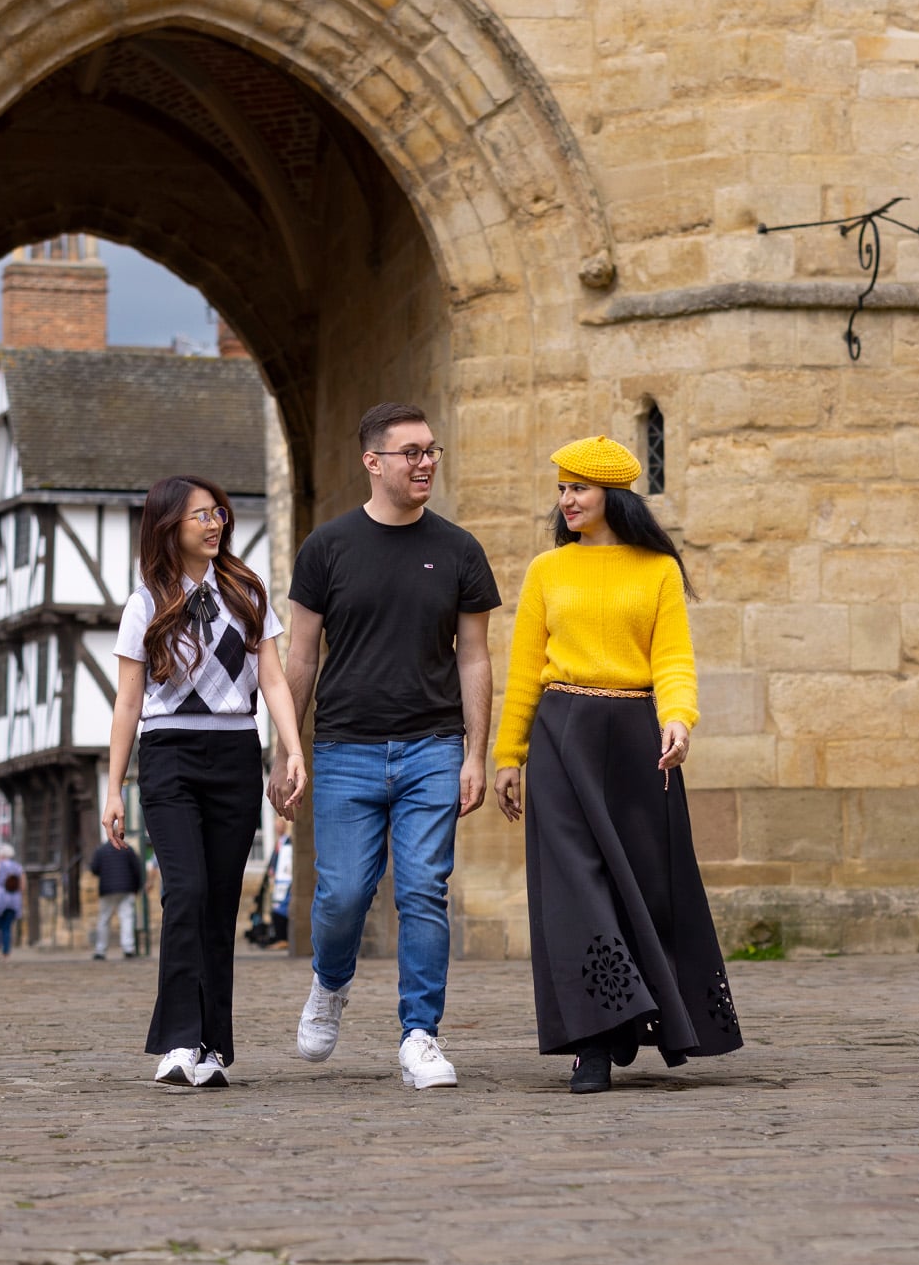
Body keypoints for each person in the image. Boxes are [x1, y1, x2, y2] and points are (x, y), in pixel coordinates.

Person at [492, 435, 742, 1094]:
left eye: (578, 487)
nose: (567, 499)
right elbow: (522, 670)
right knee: (575, 889)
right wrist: (507, 755)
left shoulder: (657, 569)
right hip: (560, 734)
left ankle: (633, 1016)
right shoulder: (548, 569)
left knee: (644, 887)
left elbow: (674, 659)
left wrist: (679, 719)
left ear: (613, 494)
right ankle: (595, 1042)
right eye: (562, 488)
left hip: (637, 737)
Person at [279, 402, 500, 1091]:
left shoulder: (460, 549)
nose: (426, 461)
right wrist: (286, 748)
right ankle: (330, 982)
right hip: (346, 746)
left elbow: (474, 657)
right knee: (343, 893)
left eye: (431, 450)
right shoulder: (328, 548)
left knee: (423, 890)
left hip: (433, 744)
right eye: (411, 451)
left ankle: (419, 1034)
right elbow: (301, 654)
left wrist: (474, 753)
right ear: (373, 461)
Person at [103, 475, 308, 1088]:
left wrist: (293, 751)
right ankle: (177, 1041)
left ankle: (214, 1048)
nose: (214, 523)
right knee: (185, 893)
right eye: (199, 516)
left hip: (235, 753)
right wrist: (114, 788)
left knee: (220, 905)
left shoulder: (247, 592)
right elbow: (128, 701)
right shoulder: (145, 602)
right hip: (168, 755)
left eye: (218, 512)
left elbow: (272, 679)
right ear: (169, 526)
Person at [89, 835, 143, 961]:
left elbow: (94, 869)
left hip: (107, 889)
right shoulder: (127, 849)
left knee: (104, 919)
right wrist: (136, 888)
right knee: (127, 918)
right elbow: (137, 869)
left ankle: (100, 950)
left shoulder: (101, 850)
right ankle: (128, 948)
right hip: (126, 888)